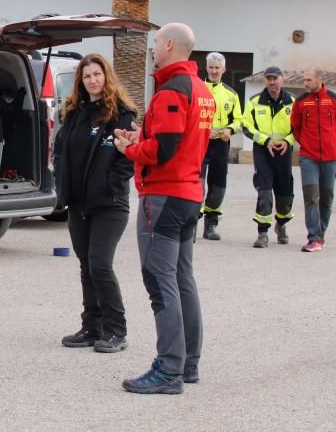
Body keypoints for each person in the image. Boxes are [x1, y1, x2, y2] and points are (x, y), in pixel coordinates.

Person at [114, 23, 213, 395]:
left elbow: (165, 149)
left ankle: (169, 369)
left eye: (156, 43)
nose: (153, 50)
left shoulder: (171, 90)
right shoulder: (201, 90)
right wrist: (143, 137)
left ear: (170, 44)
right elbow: (180, 140)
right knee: (182, 278)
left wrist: (130, 149)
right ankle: (188, 363)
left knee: (161, 280)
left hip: (165, 196)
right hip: (188, 194)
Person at [54, 54, 136, 354]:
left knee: (100, 264)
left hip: (110, 205)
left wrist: (111, 184)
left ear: (106, 76)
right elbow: (61, 152)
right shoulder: (74, 114)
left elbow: (129, 157)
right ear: (81, 81)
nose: (93, 80)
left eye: (97, 74)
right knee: (87, 265)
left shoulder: (122, 114)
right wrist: (63, 187)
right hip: (79, 204)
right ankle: (92, 326)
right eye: (87, 76)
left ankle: (116, 330)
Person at [292, 67, 336, 252]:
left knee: (326, 198)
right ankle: (313, 237)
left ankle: (320, 234)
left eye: (308, 80)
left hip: (330, 157)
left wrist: (330, 142)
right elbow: (296, 128)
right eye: (304, 80)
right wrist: (308, 144)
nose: (305, 83)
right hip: (309, 157)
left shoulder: (335, 100)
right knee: (311, 196)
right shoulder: (300, 102)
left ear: (320, 80)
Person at [241, 66, 296, 249]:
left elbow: (299, 128)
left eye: (275, 78)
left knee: (284, 194)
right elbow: (246, 126)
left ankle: (281, 225)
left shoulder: (293, 102)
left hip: (283, 152)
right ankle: (262, 233)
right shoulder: (254, 101)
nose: (272, 82)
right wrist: (266, 141)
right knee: (264, 190)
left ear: (282, 79)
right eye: (268, 79)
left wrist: (288, 140)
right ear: (265, 81)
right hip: (263, 151)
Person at [199, 52, 242, 241]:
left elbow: (239, 119)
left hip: (220, 145)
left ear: (224, 70)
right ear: (206, 68)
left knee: (218, 185)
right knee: (196, 183)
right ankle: (191, 222)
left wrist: (230, 130)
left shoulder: (231, 94)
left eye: (218, 68)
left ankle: (211, 223)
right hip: (199, 143)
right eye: (211, 67)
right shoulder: (197, 89)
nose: (214, 71)